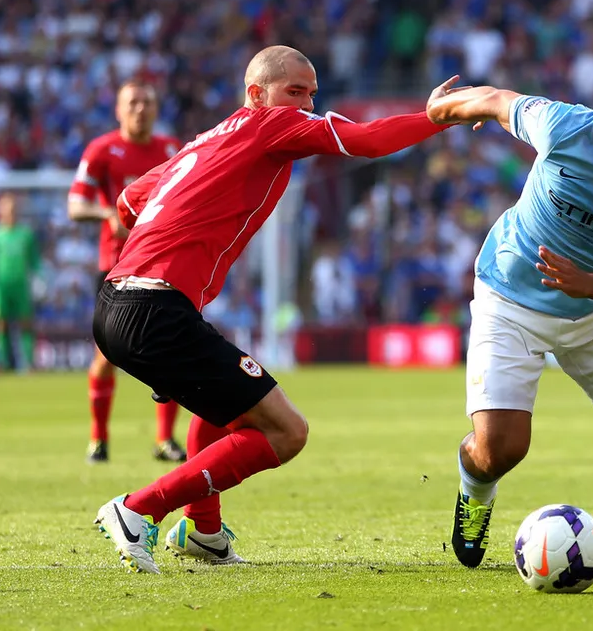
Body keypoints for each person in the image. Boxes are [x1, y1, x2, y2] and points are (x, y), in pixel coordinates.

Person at [92, 45, 457, 574]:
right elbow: (366, 140)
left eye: (312, 93)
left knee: (219, 415)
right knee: (287, 432)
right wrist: (433, 118)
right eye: (294, 92)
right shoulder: (270, 126)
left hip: (117, 303)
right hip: (155, 308)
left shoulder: (202, 143)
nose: (305, 104)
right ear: (256, 94)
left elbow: (127, 203)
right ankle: (138, 509)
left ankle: (204, 532)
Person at [426, 49, 593, 572]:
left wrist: (588, 284)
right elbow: (493, 100)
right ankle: (472, 491)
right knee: (501, 450)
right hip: (509, 299)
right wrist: (436, 112)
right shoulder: (560, 127)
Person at [68, 81, 185, 464]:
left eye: (148, 102)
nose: (140, 108)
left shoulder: (171, 150)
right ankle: (98, 439)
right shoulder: (102, 150)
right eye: (133, 102)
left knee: (171, 349)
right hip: (115, 266)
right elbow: (75, 206)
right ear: (118, 110)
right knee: (107, 356)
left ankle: (165, 439)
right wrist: (108, 214)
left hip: (161, 263)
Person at [0, 193, 43, 372]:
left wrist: (38, 279)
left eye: (13, 209)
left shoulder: (26, 234)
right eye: (6, 208)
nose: (10, 212)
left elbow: (34, 260)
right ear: (0, 211)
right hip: (1, 287)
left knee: (26, 323)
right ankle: (2, 362)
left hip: (21, 286)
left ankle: (29, 363)